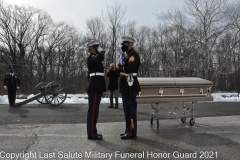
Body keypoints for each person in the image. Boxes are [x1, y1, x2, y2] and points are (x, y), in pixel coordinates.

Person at [118, 36, 141, 139]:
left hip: (131, 85)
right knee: (127, 111)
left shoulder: (133, 55)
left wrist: (120, 67)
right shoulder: (127, 55)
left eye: (125, 44)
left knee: (130, 111)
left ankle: (131, 132)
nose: (123, 46)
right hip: (126, 86)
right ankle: (128, 130)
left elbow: (129, 69)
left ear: (130, 44)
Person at [86, 39, 106, 140]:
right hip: (94, 87)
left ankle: (93, 132)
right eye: (97, 47)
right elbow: (101, 57)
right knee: (93, 111)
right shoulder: (91, 58)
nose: (98, 49)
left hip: (96, 86)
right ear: (93, 48)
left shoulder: (94, 59)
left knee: (95, 111)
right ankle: (92, 134)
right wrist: (101, 51)